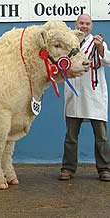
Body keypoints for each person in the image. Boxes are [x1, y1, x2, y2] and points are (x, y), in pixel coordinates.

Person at [59, 14, 110, 181]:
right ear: (76, 24)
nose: (84, 26)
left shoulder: (98, 43)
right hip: (74, 94)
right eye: (81, 23)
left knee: (101, 136)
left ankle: (104, 169)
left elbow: (107, 60)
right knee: (71, 136)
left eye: (87, 23)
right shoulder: (69, 43)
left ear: (91, 26)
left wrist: (101, 48)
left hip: (94, 94)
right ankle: (68, 169)